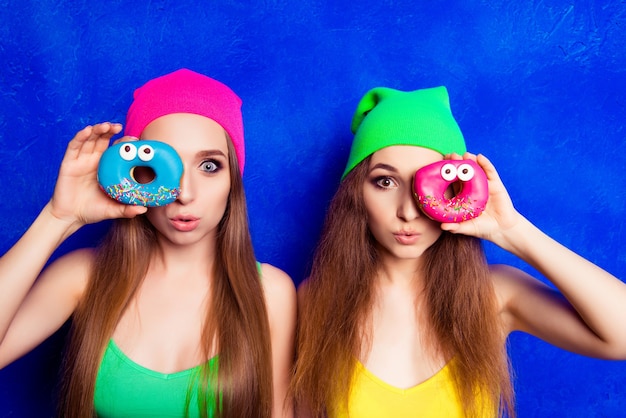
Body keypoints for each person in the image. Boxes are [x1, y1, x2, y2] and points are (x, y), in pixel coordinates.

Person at [291, 86, 626, 417]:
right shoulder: (317, 300)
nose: (408, 211)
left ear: (458, 188)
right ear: (355, 193)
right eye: (385, 182)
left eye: (429, 183)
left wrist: (512, 231)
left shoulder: (494, 295)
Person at [0, 68, 296, 418]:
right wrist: (58, 218)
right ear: (133, 175)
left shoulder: (270, 294)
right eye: (161, 166)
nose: (185, 193)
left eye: (210, 166)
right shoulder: (84, 278)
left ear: (234, 178)